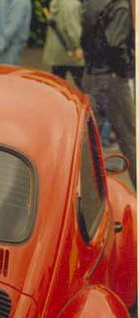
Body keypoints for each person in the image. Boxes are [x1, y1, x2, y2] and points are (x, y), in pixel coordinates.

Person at [81, 0, 136, 188]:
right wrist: (125, 68)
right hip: (111, 78)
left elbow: (85, 35)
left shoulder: (92, 3)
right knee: (129, 139)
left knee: (89, 141)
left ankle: (91, 194)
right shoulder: (120, 5)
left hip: (91, 74)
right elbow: (114, 43)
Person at [42, 0, 85, 89]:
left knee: (58, 87)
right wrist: (78, 46)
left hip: (56, 52)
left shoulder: (55, 2)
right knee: (83, 86)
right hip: (71, 51)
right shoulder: (72, 4)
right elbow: (73, 29)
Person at [2, 0, 32, 64]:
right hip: (13, 42)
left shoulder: (20, 2)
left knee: (8, 69)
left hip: (13, 43)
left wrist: (1, 43)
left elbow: (13, 26)